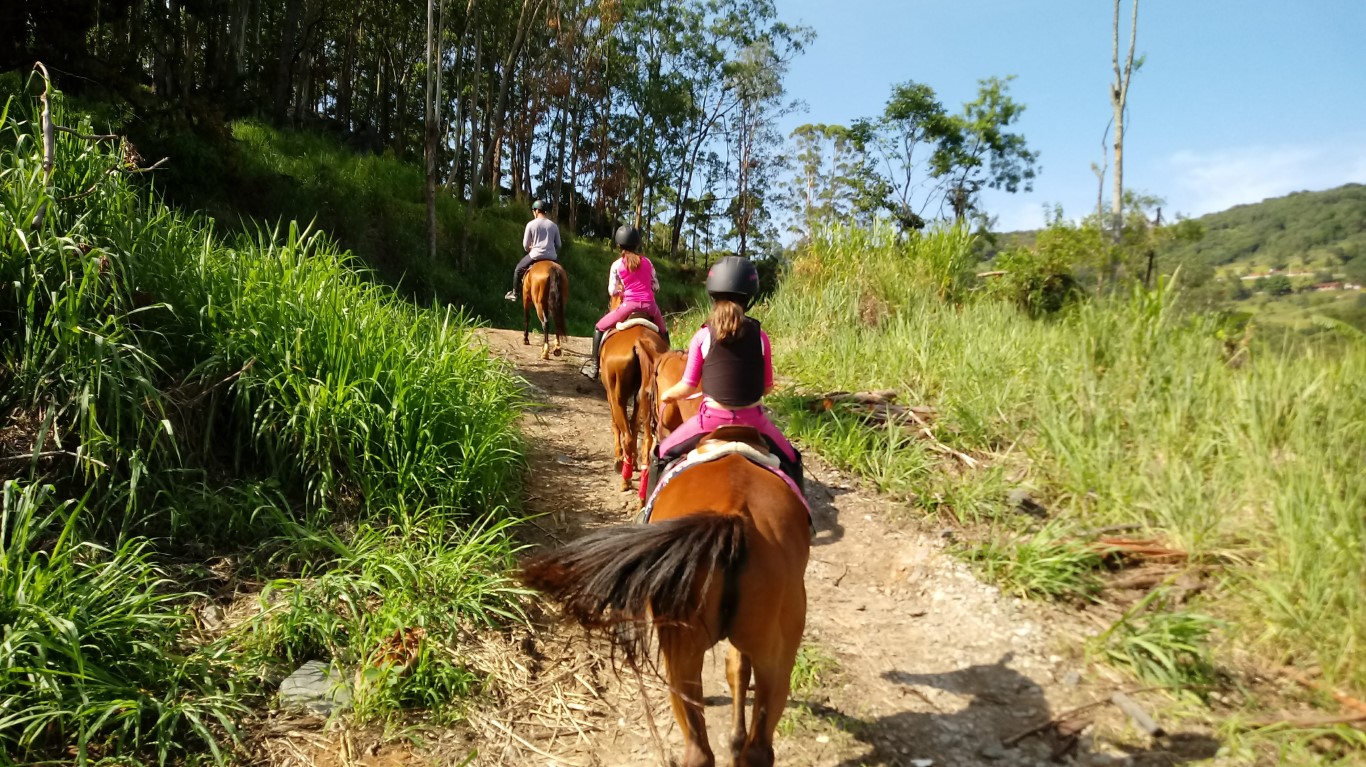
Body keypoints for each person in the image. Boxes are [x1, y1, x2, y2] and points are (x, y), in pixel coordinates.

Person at [649, 255, 803, 496]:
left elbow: (688, 387)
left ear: (713, 294)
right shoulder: (761, 337)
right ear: (749, 298)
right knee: (793, 459)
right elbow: (767, 387)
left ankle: (647, 514)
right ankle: (804, 522)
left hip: (709, 421)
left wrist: (669, 394)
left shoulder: (702, 336)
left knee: (660, 454)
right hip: (755, 421)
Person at [580, 225, 668, 380]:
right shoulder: (648, 262)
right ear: (637, 244)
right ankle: (667, 366)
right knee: (663, 332)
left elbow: (611, 291)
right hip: (650, 307)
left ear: (619, 245)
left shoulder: (617, 265)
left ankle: (594, 366)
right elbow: (656, 286)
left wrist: (623, 291)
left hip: (629, 306)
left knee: (599, 327)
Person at [506, 200, 562, 302]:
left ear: (536, 211)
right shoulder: (554, 226)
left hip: (535, 255)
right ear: (545, 212)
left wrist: (530, 249)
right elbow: (558, 244)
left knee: (518, 269)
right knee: (561, 274)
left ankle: (514, 294)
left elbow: (525, 245)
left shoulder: (530, 224)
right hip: (552, 257)